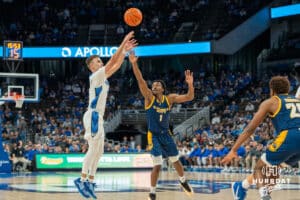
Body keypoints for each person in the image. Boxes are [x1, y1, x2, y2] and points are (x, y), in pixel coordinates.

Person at [74, 31, 137, 199]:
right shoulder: (95, 76)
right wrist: (123, 43)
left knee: (99, 151)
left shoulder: (103, 77)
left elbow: (115, 66)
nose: (100, 63)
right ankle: (82, 179)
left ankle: (90, 181)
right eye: (98, 61)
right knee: (93, 149)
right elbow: (111, 63)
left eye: (100, 60)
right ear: (91, 66)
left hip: (98, 117)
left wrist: (125, 53)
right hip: (93, 115)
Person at [128, 51, 194, 200]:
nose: (154, 86)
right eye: (154, 85)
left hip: (166, 134)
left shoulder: (169, 99)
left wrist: (190, 85)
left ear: (163, 89)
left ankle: (183, 181)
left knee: (175, 160)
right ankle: (152, 192)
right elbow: (140, 80)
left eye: (157, 85)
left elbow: (190, 97)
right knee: (157, 164)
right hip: (154, 135)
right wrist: (133, 63)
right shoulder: (149, 98)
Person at [221, 76, 300, 200]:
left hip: (290, 136)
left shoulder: (271, 102)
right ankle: (242, 186)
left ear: (272, 90)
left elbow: (250, 129)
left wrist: (234, 150)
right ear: (288, 88)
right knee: (274, 169)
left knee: (260, 167)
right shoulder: (297, 100)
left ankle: (264, 195)